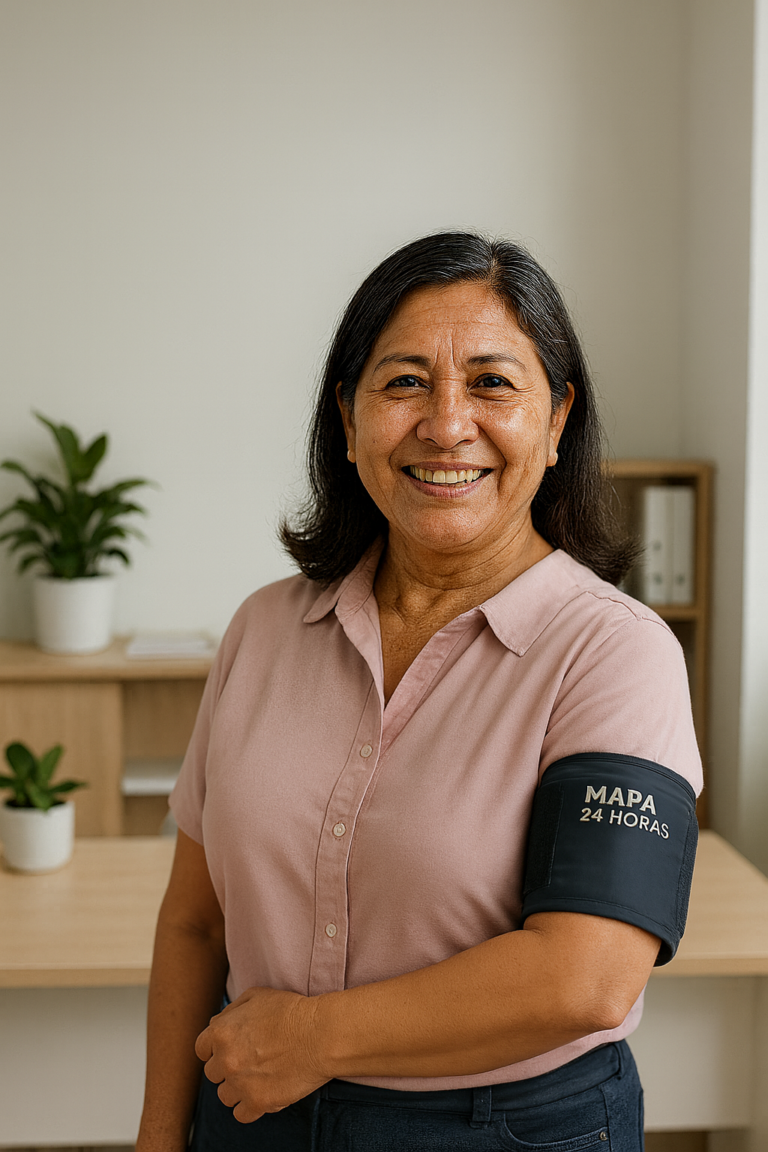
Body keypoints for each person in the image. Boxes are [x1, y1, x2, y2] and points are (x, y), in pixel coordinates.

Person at [136, 232, 702, 1152]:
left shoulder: (615, 653)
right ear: (348, 417)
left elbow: (588, 978)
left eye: (492, 383)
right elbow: (195, 923)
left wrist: (312, 1039)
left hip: (506, 1129)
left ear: (556, 421)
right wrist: (159, 1139)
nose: (445, 425)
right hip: (250, 1109)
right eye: (403, 382)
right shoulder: (264, 628)